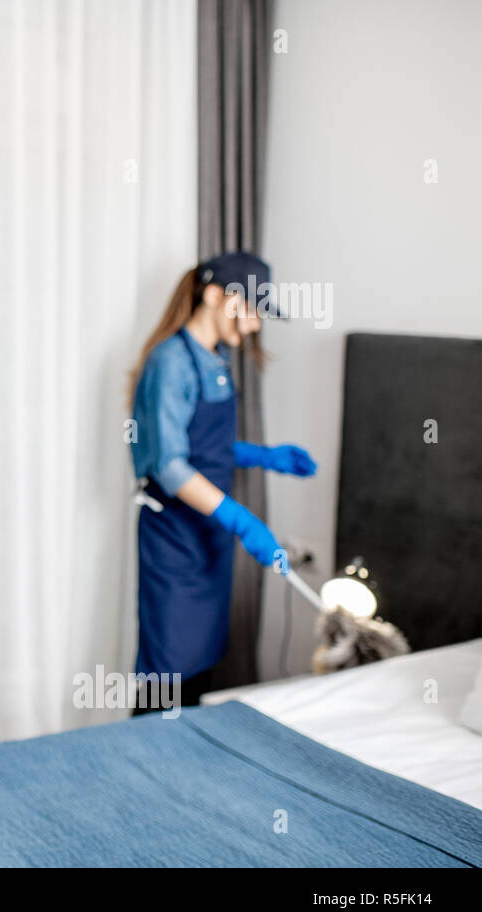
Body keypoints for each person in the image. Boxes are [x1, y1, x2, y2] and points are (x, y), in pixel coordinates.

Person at [127, 252, 316, 715]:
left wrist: (263, 456)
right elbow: (170, 467)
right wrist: (240, 517)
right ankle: (142, 760)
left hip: (208, 536)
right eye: (250, 309)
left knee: (199, 661)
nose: (253, 326)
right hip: (174, 537)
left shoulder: (216, 359)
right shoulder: (170, 361)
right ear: (215, 295)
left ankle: (185, 766)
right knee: (166, 670)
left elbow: (205, 449)